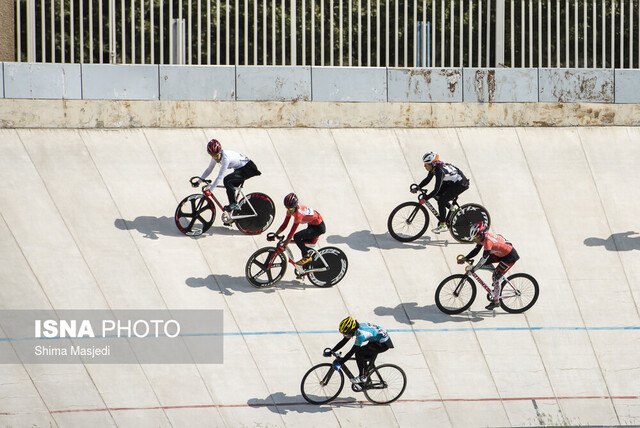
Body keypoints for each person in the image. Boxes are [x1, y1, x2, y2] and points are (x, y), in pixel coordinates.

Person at [458, 222, 520, 310]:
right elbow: (476, 251)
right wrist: (466, 258)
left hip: (509, 257)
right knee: (488, 265)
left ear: (480, 235)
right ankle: (498, 278)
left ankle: (496, 301)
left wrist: (474, 269)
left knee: (495, 276)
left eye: (475, 238)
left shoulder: (488, 242)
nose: (474, 240)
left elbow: (483, 259)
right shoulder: (482, 237)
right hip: (499, 253)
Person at [324, 317, 394, 388]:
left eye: (346, 333)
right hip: (376, 339)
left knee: (359, 353)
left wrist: (340, 363)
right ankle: (367, 378)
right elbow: (344, 341)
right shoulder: (355, 328)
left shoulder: (360, 335)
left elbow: (352, 351)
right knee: (363, 356)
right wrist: (332, 351)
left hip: (382, 344)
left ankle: (362, 377)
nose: (345, 335)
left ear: (351, 331)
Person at [193, 138, 261, 212]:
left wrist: (211, 190)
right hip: (239, 168)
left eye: (216, 155)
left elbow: (220, 176)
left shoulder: (225, 158)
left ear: (220, 151)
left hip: (248, 168)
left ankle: (234, 204)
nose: (215, 158)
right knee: (230, 187)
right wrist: (198, 181)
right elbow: (209, 169)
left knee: (227, 180)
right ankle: (234, 213)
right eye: (212, 156)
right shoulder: (215, 156)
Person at [413, 152, 469, 234]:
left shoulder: (439, 172)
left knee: (441, 201)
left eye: (426, 164)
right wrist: (418, 187)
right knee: (438, 195)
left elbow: (435, 190)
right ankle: (452, 209)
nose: (425, 166)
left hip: (461, 184)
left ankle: (443, 225)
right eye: (424, 164)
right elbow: (428, 179)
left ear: (432, 164)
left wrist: (425, 198)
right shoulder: (434, 167)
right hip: (452, 181)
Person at [268, 193, 325, 265]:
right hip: (312, 224)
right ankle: (303, 271)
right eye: (287, 208)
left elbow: (291, 232)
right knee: (303, 246)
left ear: (295, 206)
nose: (289, 210)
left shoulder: (299, 214)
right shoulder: (290, 210)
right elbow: (284, 224)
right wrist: (275, 234)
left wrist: (285, 244)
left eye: (291, 208)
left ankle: (307, 257)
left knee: (297, 237)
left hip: (318, 228)